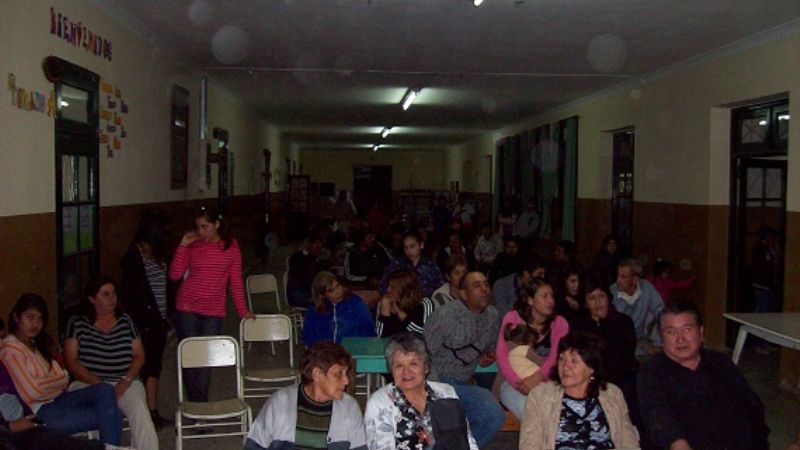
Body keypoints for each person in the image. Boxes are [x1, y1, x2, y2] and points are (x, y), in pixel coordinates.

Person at [638, 299, 769, 450]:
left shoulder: (721, 363)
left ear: (700, 333)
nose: (680, 339)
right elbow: (657, 414)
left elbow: (752, 406)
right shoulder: (652, 372)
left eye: (687, 330)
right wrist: (678, 444)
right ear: (662, 338)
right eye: (671, 332)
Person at [0, 294, 122, 445]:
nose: (35, 324)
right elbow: (32, 393)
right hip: (40, 411)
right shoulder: (10, 349)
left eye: (39, 319)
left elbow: (64, 378)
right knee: (112, 415)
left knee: (105, 390)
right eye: (30, 317)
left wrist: (46, 383)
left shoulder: (38, 344)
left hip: (61, 399)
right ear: (16, 317)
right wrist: (52, 382)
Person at [168, 206, 254, 403]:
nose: (200, 232)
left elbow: (236, 281)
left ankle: (200, 404)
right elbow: (174, 274)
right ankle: (196, 406)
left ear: (217, 225)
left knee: (205, 359)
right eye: (198, 227)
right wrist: (182, 246)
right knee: (190, 358)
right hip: (187, 307)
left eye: (205, 227)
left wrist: (243, 310)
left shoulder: (230, 247)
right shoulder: (193, 245)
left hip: (213, 311)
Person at [64, 276, 158, 450]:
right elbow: (71, 361)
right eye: (105, 294)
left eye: (114, 294)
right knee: (102, 411)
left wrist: (127, 379)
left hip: (124, 381)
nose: (112, 299)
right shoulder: (78, 323)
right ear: (92, 299)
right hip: (89, 383)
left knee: (139, 411)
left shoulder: (126, 321)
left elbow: (139, 354)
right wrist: (99, 386)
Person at [424, 271, 505, 449]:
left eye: (486, 284)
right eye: (476, 286)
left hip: (465, 383)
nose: (484, 289)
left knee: (493, 415)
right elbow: (425, 352)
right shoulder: (446, 316)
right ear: (463, 294)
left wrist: (488, 354)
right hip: (437, 380)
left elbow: (490, 345)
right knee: (443, 422)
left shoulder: (492, 316)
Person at [519, 332, 640, 450]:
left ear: (592, 367)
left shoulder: (613, 394)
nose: (565, 366)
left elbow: (629, 442)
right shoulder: (540, 396)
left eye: (574, 361)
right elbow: (529, 445)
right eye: (561, 359)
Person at [570, 270, 646, 447]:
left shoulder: (623, 322)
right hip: (588, 379)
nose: (597, 302)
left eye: (601, 296)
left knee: (630, 400)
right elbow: (576, 357)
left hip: (620, 377)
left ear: (608, 297)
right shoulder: (577, 324)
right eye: (591, 298)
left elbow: (625, 358)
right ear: (585, 302)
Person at [365, 332, 478, 450]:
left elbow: (466, 440)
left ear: (427, 367)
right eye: (399, 366)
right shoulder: (379, 403)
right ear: (391, 370)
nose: (406, 372)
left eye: (413, 364)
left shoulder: (445, 393)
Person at [245, 341, 367, 450]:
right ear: (317, 374)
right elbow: (254, 445)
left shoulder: (350, 407)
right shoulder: (280, 402)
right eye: (338, 374)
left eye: (346, 373)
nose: (346, 381)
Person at [118, 207, 173, 428]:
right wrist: (145, 317)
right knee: (142, 366)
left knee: (154, 367)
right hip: (144, 322)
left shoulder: (158, 253)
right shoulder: (134, 255)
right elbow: (130, 293)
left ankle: (152, 410)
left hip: (158, 319)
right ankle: (141, 412)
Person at [495, 277, 569, 420]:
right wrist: (520, 384)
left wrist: (538, 377)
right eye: (544, 296)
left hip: (548, 382)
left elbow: (556, 357)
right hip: (512, 382)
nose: (550, 301)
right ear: (530, 300)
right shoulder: (513, 318)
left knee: (561, 411)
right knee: (531, 411)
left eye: (552, 296)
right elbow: (501, 356)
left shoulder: (560, 323)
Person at [302, 271, 375, 345]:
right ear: (322, 295)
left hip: (353, 348)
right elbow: (308, 335)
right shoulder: (315, 309)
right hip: (325, 350)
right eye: (331, 291)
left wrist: (355, 343)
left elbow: (369, 329)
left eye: (337, 286)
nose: (337, 292)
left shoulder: (355, 302)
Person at [611, 259, 664, 356]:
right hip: (619, 342)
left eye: (623, 277)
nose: (618, 280)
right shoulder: (611, 292)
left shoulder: (646, 288)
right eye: (618, 275)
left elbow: (661, 312)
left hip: (642, 338)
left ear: (635, 279)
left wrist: (659, 343)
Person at [380, 230, 444, 298]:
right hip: (399, 301)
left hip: (425, 303)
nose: (409, 251)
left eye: (412, 246)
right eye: (405, 248)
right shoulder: (397, 263)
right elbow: (383, 285)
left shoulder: (431, 266)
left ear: (421, 245)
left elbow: (440, 289)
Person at [376, 270, 435, 337]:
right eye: (388, 286)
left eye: (392, 287)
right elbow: (379, 336)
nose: (388, 290)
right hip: (392, 345)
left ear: (404, 289)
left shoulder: (425, 303)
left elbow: (424, 334)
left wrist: (401, 314)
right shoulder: (385, 303)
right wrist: (385, 312)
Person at [492, 253, 547, 319]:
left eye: (544, 274)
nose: (543, 278)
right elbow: (503, 315)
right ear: (526, 274)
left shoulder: (542, 286)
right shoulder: (502, 285)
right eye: (539, 274)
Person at [287, 232, 332, 307]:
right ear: (309, 245)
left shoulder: (321, 261)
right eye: (315, 244)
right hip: (300, 291)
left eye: (320, 245)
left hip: (314, 290)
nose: (318, 247)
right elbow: (305, 276)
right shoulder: (297, 257)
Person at [751, 226, 779, 313]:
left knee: (766, 307)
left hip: (767, 284)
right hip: (763, 284)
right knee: (763, 308)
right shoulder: (761, 249)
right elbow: (764, 266)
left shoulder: (768, 249)